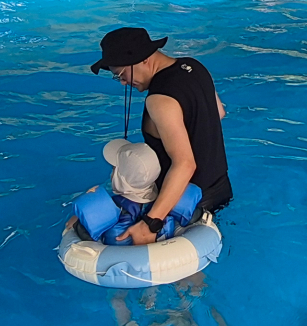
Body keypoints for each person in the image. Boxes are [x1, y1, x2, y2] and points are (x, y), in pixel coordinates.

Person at [90, 27, 231, 245]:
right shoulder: (195, 66)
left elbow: (185, 164)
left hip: (184, 201)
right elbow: (219, 113)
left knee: (176, 271)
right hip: (220, 187)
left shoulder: (159, 99)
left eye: (121, 74)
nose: (123, 82)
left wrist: (151, 222)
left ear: (143, 60)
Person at [68, 138, 201, 245]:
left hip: (120, 261)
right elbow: (196, 215)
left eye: (115, 168)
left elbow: (82, 233)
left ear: (120, 178)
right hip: (164, 249)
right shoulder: (166, 203)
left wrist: (81, 214)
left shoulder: (114, 205)